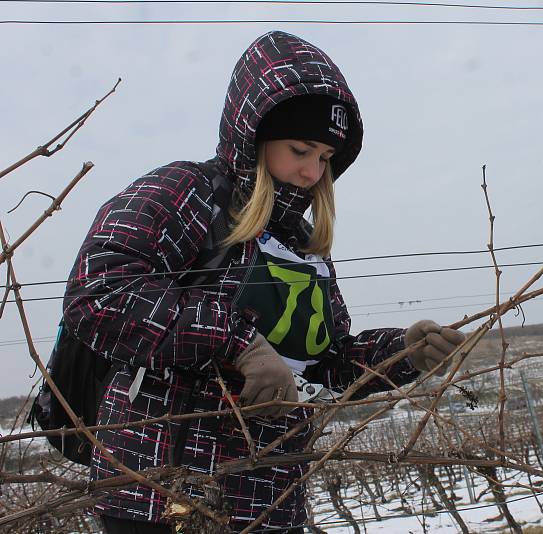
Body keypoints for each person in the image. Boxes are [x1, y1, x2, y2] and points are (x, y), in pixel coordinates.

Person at [61, 30, 466, 533]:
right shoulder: (186, 194)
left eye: (325, 158)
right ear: (253, 134)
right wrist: (239, 344)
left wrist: (401, 354)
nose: (313, 171)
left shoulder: (300, 243)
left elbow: (325, 364)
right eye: (301, 149)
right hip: (161, 493)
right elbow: (98, 294)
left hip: (268, 500)